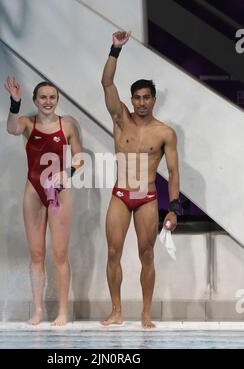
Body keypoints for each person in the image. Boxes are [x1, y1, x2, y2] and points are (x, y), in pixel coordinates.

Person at [101, 32, 180, 328]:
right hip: (120, 195)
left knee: (147, 254)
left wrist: (174, 207)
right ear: (131, 99)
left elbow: (173, 173)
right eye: (137, 97)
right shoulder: (121, 118)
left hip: (147, 198)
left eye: (147, 97)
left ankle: (145, 313)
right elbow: (107, 83)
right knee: (112, 251)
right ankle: (116, 310)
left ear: (154, 99)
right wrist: (115, 50)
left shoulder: (165, 133)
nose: (142, 102)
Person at [5, 77, 83, 325]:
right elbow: (11, 128)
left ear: (57, 100)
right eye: (43, 97)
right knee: (36, 253)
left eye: (52, 97)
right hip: (33, 191)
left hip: (59, 191)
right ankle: (37, 310)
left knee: (60, 254)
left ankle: (62, 311)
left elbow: (80, 158)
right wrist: (14, 103)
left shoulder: (68, 124)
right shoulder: (27, 123)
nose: (48, 102)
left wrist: (67, 172)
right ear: (35, 100)